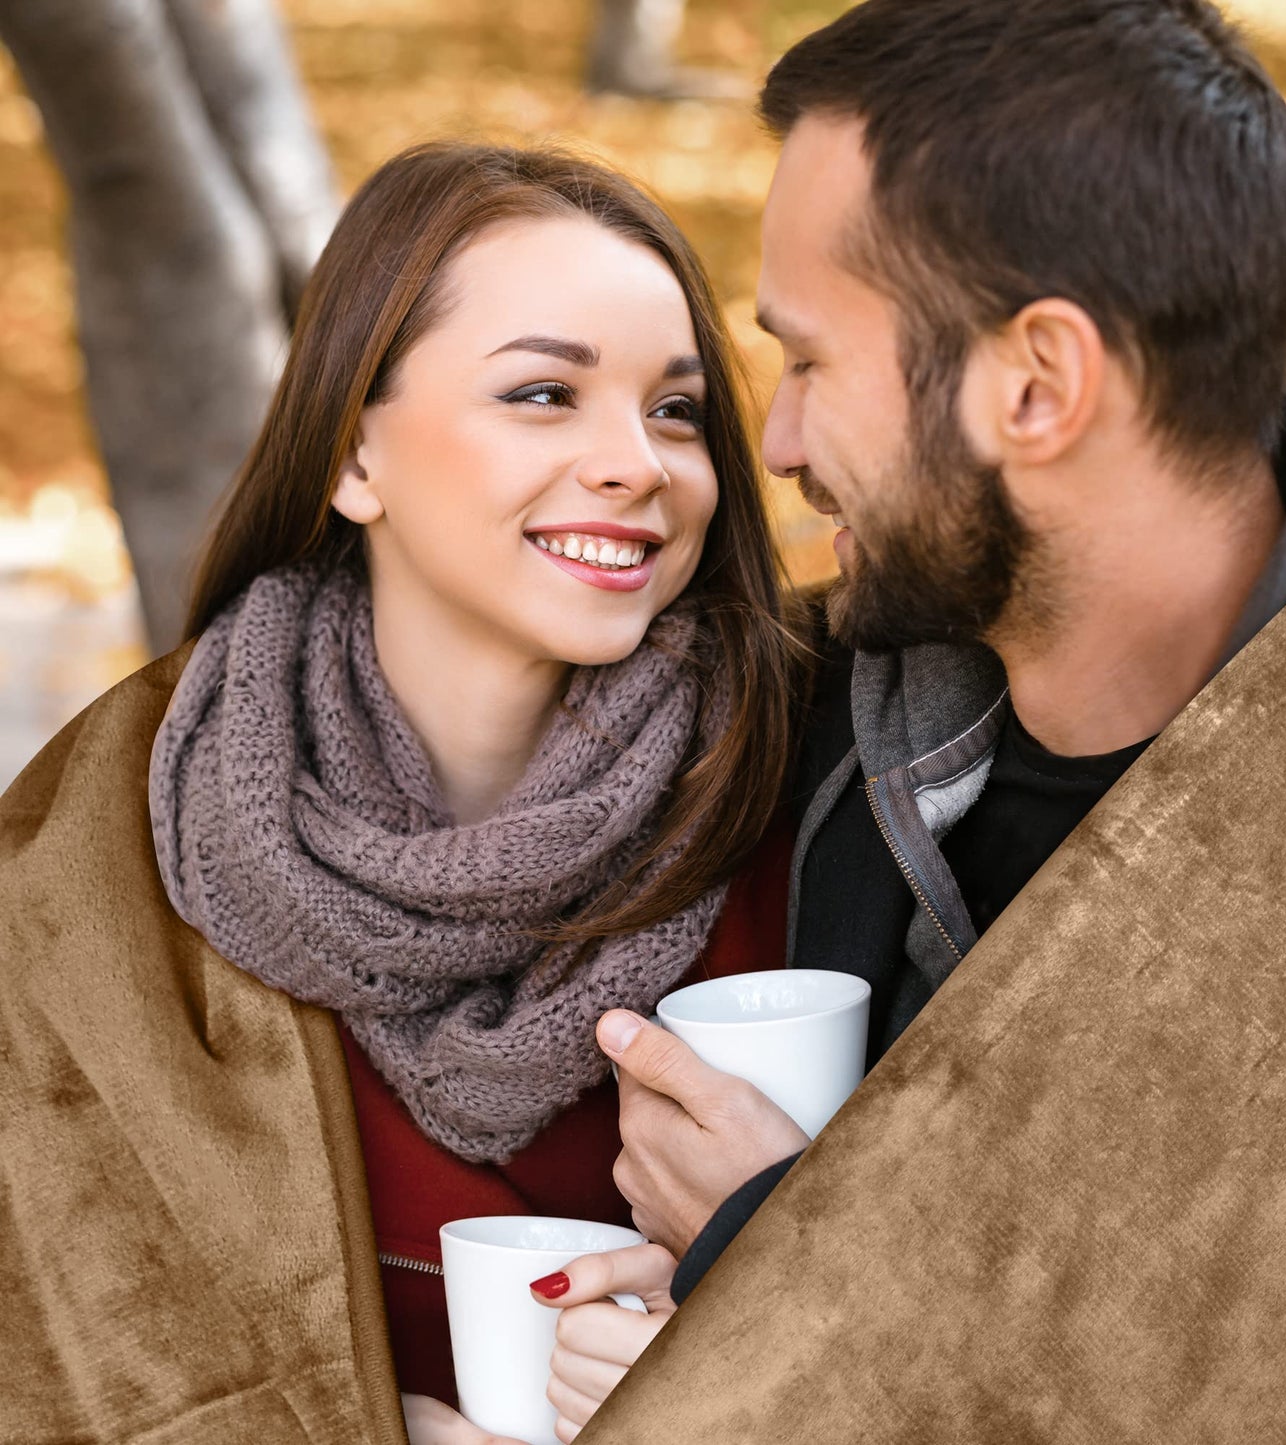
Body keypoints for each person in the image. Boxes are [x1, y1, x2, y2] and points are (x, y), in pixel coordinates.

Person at [589, 0, 1286, 1308]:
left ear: (1037, 385)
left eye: (810, 362)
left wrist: (781, 1262)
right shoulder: (834, 722)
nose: (779, 445)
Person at [0, 141, 802, 1445]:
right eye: (544, 393)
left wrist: (765, 1311)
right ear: (352, 458)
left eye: (676, 409)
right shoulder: (92, 852)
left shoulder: (816, 798)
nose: (637, 462)